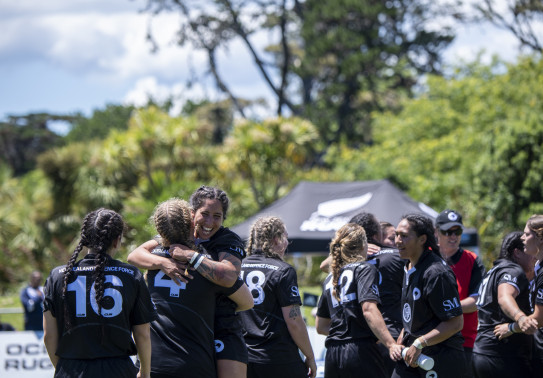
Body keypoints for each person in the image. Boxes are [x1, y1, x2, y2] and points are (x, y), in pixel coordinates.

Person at [128, 186, 250, 378]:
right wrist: (163, 263)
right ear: (192, 214)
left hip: (224, 327)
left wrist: (191, 256)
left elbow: (229, 277)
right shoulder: (173, 239)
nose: (210, 222)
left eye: (217, 216)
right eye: (205, 214)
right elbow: (134, 255)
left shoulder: (228, 240)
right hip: (190, 334)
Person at [42, 208, 156, 378]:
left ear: (84, 239)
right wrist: (145, 373)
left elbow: (49, 336)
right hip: (119, 370)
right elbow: (142, 334)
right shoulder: (131, 275)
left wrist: (63, 368)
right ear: (117, 240)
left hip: (71, 369)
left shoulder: (58, 276)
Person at [316, 222, 403, 378]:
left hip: (332, 354)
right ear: (364, 245)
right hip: (360, 353)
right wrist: (391, 344)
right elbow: (369, 309)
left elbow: (321, 326)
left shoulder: (330, 278)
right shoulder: (363, 269)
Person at [240, 216, 317, 378]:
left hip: (243, 357)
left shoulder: (238, 266)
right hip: (278, 358)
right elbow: (294, 321)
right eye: (286, 237)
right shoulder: (283, 270)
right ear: (276, 239)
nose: (287, 243)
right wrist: (310, 356)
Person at [392, 213, 467, 378]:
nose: (397, 240)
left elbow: (455, 322)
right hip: (415, 354)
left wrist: (420, 342)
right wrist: (405, 332)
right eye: (396, 235)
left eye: (404, 236)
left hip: (441, 358)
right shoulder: (409, 266)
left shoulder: (436, 273)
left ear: (422, 239)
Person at [472, 231, 536, 378]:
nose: (535, 256)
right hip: (502, 357)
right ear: (517, 253)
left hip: (482, 352)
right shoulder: (513, 270)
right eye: (530, 251)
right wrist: (520, 318)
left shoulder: (494, 271)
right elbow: (504, 296)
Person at [435, 209, 485, 377]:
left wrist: (444, 308)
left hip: (463, 341)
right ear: (436, 232)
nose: (453, 236)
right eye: (447, 231)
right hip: (431, 338)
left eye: (457, 231)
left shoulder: (472, 259)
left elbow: (477, 300)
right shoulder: (426, 256)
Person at [493, 215, 543, 377]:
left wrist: (511, 327)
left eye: (526, 234)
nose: (522, 238)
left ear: (540, 238)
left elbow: (539, 318)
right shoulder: (538, 267)